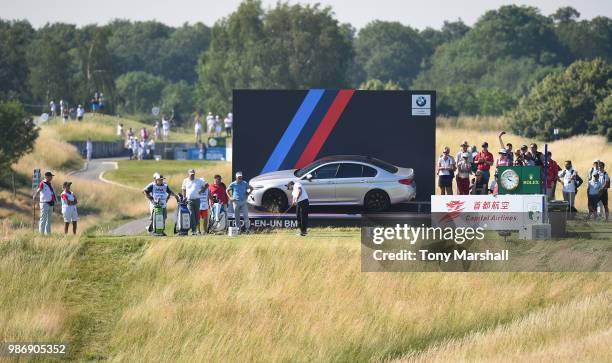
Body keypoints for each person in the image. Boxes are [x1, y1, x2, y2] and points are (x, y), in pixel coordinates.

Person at [181, 169, 207, 235]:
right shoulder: (185, 180)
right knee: (191, 214)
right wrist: (184, 197)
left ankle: (195, 229)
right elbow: (183, 189)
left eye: (193, 174)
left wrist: (202, 191)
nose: (192, 175)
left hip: (197, 200)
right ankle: (193, 230)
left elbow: (207, 185)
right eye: (191, 174)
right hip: (189, 200)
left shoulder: (198, 180)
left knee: (197, 216)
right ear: (188, 174)